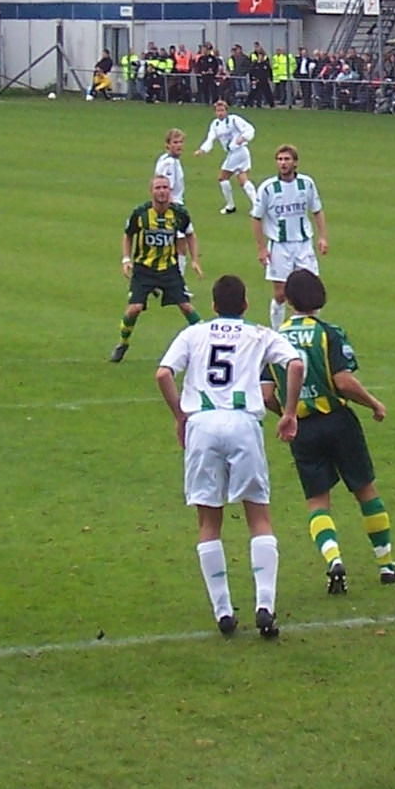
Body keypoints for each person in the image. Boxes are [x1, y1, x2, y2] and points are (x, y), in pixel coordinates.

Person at [155, 273, 303, 638]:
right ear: (246, 304)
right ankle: (264, 605)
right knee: (259, 516)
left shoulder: (194, 333)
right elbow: (296, 365)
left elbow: (162, 374)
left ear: (215, 305)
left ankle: (223, 611)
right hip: (242, 423)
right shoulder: (258, 333)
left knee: (209, 522)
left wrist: (180, 417)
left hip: (202, 424)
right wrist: (289, 411)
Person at [273, 265, 395, 589]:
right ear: (320, 298)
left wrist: (287, 413)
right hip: (338, 421)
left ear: (288, 300)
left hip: (302, 427)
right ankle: (386, 565)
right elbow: (343, 382)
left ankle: (334, 559)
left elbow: (264, 393)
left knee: (318, 501)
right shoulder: (330, 333)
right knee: (365, 491)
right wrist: (373, 403)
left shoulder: (273, 339)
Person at [110, 173, 201, 364]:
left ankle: (206, 342)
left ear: (170, 190)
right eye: (158, 188)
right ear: (151, 191)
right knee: (134, 308)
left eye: (165, 188)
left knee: (186, 306)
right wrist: (126, 259)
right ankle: (122, 343)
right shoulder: (141, 213)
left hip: (169, 269)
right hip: (144, 269)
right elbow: (128, 235)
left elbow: (190, 234)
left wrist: (194, 260)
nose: (162, 192)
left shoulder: (179, 214)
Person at [251, 143, 326, 330]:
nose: (283, 163)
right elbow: (256, 218)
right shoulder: (268, 188)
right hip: (279, 246)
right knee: (280, 294)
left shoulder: (307, 184)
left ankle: (310, 329)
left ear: (295, 162)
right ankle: (277, 332)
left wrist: (322, 236)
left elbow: (317, 211)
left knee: (311, 289)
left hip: (303, 244)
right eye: (280, 159)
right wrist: (261, 248)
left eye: (287, 159)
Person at [198, 98, 257, 215]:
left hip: (238, 151)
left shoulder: (234, 120)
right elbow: (211, 138)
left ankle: (230, 206)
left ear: (226, 111)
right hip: (237, 153)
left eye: (222, 110)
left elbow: (250, 129)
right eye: (218, 110)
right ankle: (257, 205)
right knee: (242, 179)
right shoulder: (215, 124)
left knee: (222, 178)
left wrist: (243, 137)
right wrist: (203, 149)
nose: (220, 113)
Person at [155, 127, 189, 209]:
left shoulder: (165, 158)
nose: (179, 145)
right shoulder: (170, 163)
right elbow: (167, 189)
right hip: (173, 205)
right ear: (168, 145)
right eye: (175, 142)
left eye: (180, 142)